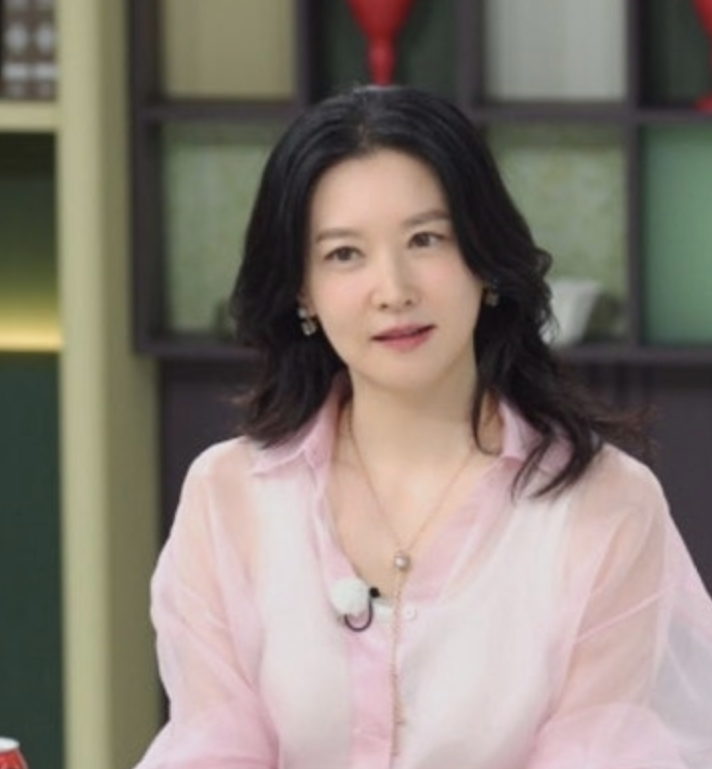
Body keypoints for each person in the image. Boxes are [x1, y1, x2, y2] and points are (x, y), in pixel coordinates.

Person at [134, 85, 712, 769]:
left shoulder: (606, 504)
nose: (394, 290)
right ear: (301, 291)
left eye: (425, 239)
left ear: (484, 260)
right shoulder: (228, 494)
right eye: (344, 254)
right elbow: (214, 749)